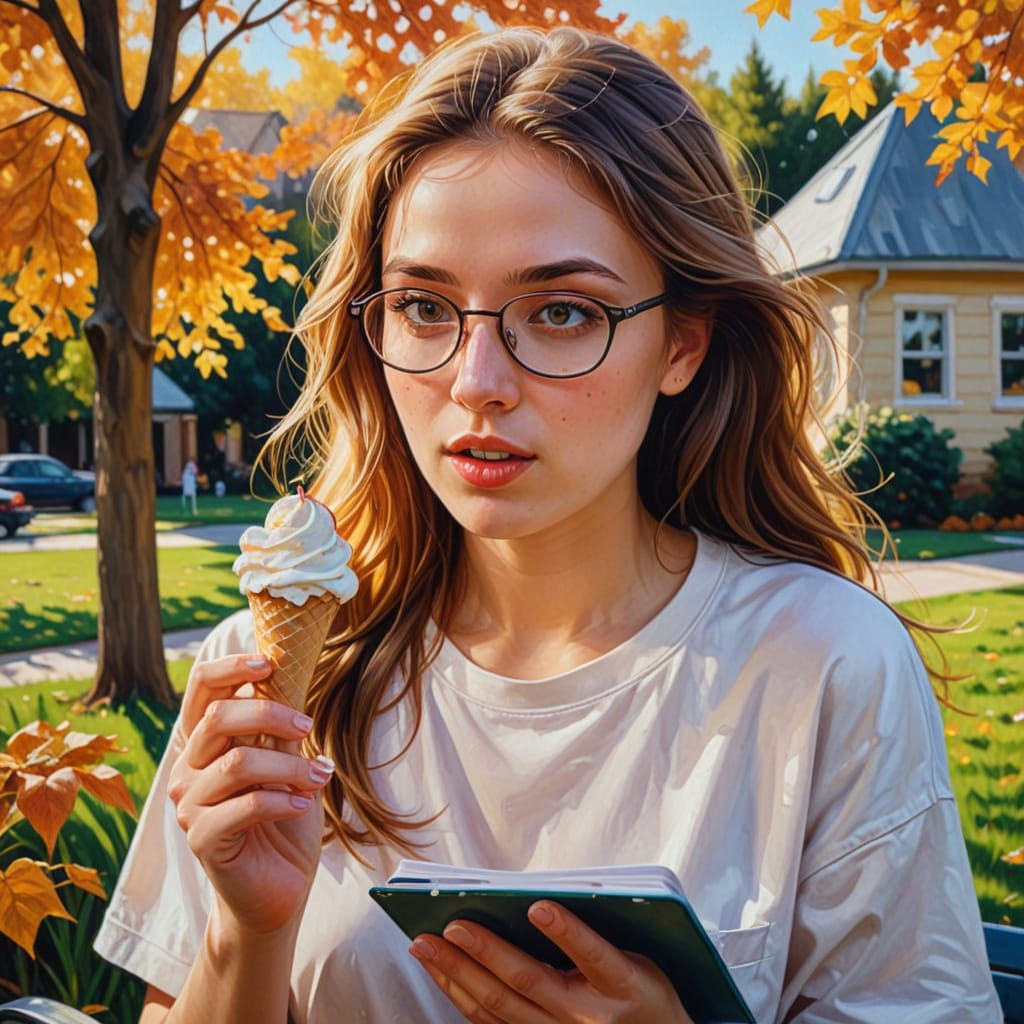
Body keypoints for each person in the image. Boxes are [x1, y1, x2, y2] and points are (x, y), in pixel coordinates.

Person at [93, 27, 1001, 1024]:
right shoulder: (273, 689)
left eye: (564, 311)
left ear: (683, 343)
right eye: (424, 306)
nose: (476, 383)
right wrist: (247, 930)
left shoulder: (823, 664)